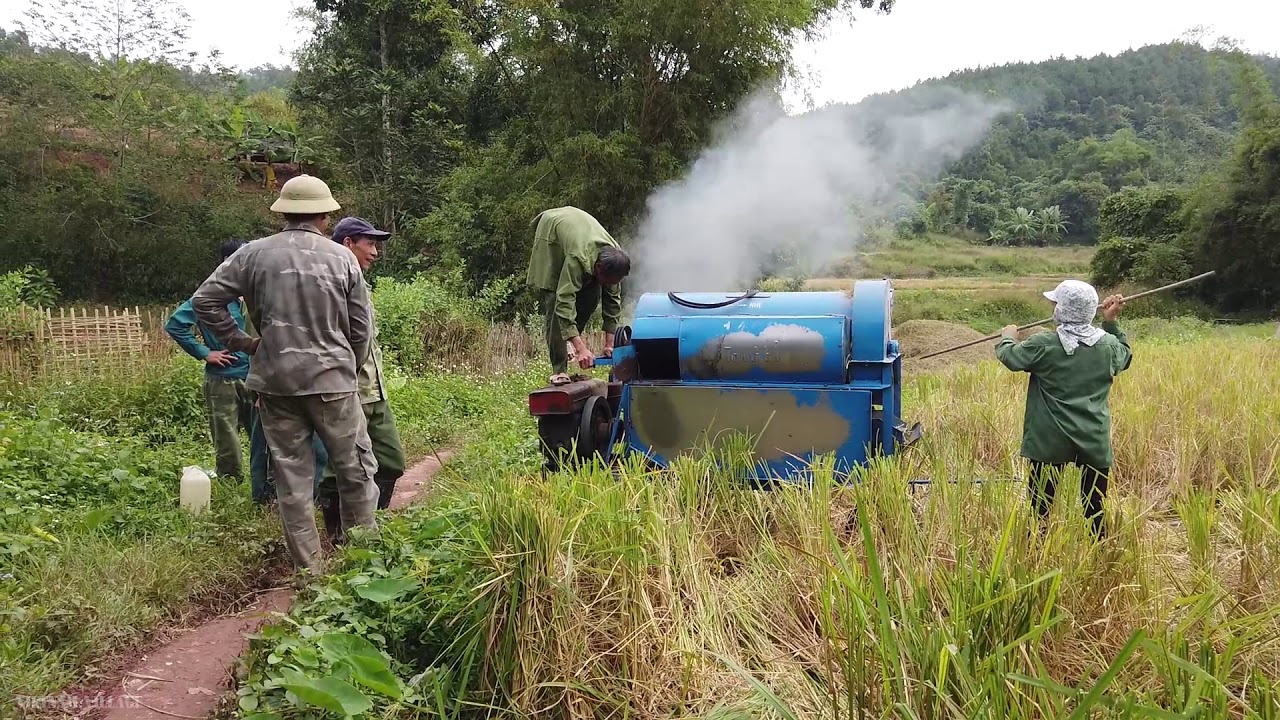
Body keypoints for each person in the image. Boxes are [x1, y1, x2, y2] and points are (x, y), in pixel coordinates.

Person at [191, 174, 379, 578]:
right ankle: (364, 569)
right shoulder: (342, 257)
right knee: (356, 471)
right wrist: (349, 363)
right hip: (333, 383)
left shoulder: (253, 255)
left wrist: (244, 342)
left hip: (275, 383)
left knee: (293, 481)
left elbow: (205, 301)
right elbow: (362, 327)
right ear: (326, 215)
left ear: (283, 212)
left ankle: (310, 575)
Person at [995, 279, 1131, 539]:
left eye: (1055, 303)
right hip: (1093, 439)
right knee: (1095, 509)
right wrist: (1111, 322)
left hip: (1049, 442)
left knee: (1040, 508)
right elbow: (1124, 354)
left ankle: (1039, 553)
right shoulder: (1109, 346)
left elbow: (1011, 358)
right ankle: (1098, 554)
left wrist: (1007, 338)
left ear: (1062, 310)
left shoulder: (1043, 345)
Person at [316, 217, 406, 543]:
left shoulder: (361, 284)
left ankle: (371, 521)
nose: (376, 251)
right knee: (339, 466)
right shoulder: (331, 284)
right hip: (348, 390)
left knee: (391, 461)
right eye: (369, 243)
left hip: (374, 389)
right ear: (347, 244)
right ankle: (339, 534)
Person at [164, 239, 253, 481]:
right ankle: (231, 480)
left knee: (263, 434)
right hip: (222, 379)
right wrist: (205, 353)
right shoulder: (210, 297)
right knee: (226, 434)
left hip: (256, 378)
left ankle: (265, 483)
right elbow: (175, 325)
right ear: (227, 263)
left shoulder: (254, 296)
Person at [525, 206, 630, 382]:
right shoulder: (578, 258)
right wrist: (581, 348)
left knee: (591, 298)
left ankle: (569, 340)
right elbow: (564, 301)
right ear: (597, 268)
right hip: (552, 233)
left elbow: (612, 301)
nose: (609, 285)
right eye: (606, 281)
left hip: (578, 228)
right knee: (555, 300)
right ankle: (559, 369)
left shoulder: (615, 259)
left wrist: (610, 344)